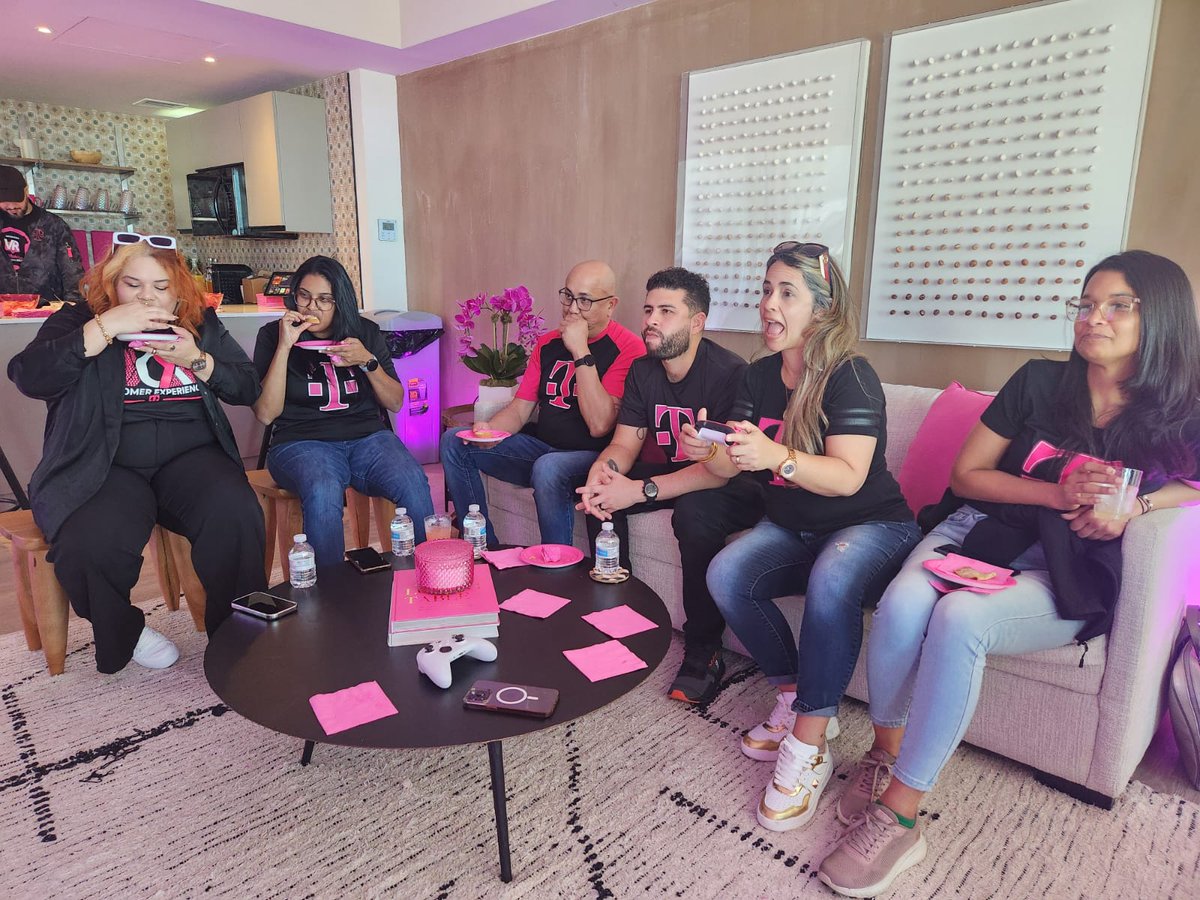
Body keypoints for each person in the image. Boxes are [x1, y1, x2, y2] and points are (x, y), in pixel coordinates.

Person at [817, 249, 1200, 897]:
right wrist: (1059, 491)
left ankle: (902, 814)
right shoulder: (1039, 383)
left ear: (1160, 316)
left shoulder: (1179, 411)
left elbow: (1191, 484)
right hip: (976, 531)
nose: (1093, 318)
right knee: (903, 605)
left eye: (1117, 306)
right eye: (1086, 304)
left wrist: (1140, 504)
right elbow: (968, 476)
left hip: (1063, 566)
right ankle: (885, 752)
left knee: (961, 618)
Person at [700, 241, 921, 834]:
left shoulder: (852, 376)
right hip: (792, 524)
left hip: (870, 524)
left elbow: (848, 477)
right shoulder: (757, 375)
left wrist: (776, 455)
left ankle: (809, 744)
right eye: (766, 290)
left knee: (833, 578)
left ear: (821, 309)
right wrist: (711, 450)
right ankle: (794, 694)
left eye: (786, 293)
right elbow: (730, 463)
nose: (768, 304)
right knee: (727, 573)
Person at [7, 233, 267, 673]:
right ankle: (126, 630)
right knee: (88, 542)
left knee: (236, 512)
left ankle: (240, 634)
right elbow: (29, 376)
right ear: (111, 283)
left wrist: (196, 358)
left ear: (177, 288)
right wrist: (105, 328)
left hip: (191, 457)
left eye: (161, 286)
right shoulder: (78, 320)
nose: (148, 297)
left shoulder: (197, 320)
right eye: (133, 284)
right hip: (104, 462)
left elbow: (246, 387)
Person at [574, 267, 762, 704]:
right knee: (603, 492)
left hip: (736, 484)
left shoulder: (731, 374)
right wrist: (605, 472)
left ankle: (703, 651)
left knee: (695, 514)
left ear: (697, 322)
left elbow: (720, 470)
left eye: (666, 312)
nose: (651, 321)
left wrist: (641, 490)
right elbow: (625, 443)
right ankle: (616, 615)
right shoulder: (644, 371)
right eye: (648, 310)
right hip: (682, 473)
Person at [440, 259, 645, 547]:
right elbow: (519, 410)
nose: (573, 309)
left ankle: (557, 562)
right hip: (541, 450)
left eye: (585, 301)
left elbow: (600, 425)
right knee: (454, 442)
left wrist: (580, 349)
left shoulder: (629, 348)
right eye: (568, 296)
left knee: (549, 467)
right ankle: (482, 546)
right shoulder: (548, 343)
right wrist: (489, 431)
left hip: (591, 459)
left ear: (611, 305)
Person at [253, 255, 435, 569]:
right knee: (323, 487)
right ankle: (331, 591)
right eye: (304, 296)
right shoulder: (273, 334)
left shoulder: (365, 333)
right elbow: (266, 414)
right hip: (300, 442)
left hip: (368, 438)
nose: (312, 308)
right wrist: (284, 346)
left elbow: (395, 402)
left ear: (341, 302)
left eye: (324, 300)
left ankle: (430, 574)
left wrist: (367, 362)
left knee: (412, 479)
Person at [0, 165, 86, 303]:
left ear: (26, 191)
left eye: (16, 200)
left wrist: (74, 308)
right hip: (3, 308)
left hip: (46, 306)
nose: (11, 206)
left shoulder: (53, 225)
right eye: (4, 202)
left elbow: (72, 271)